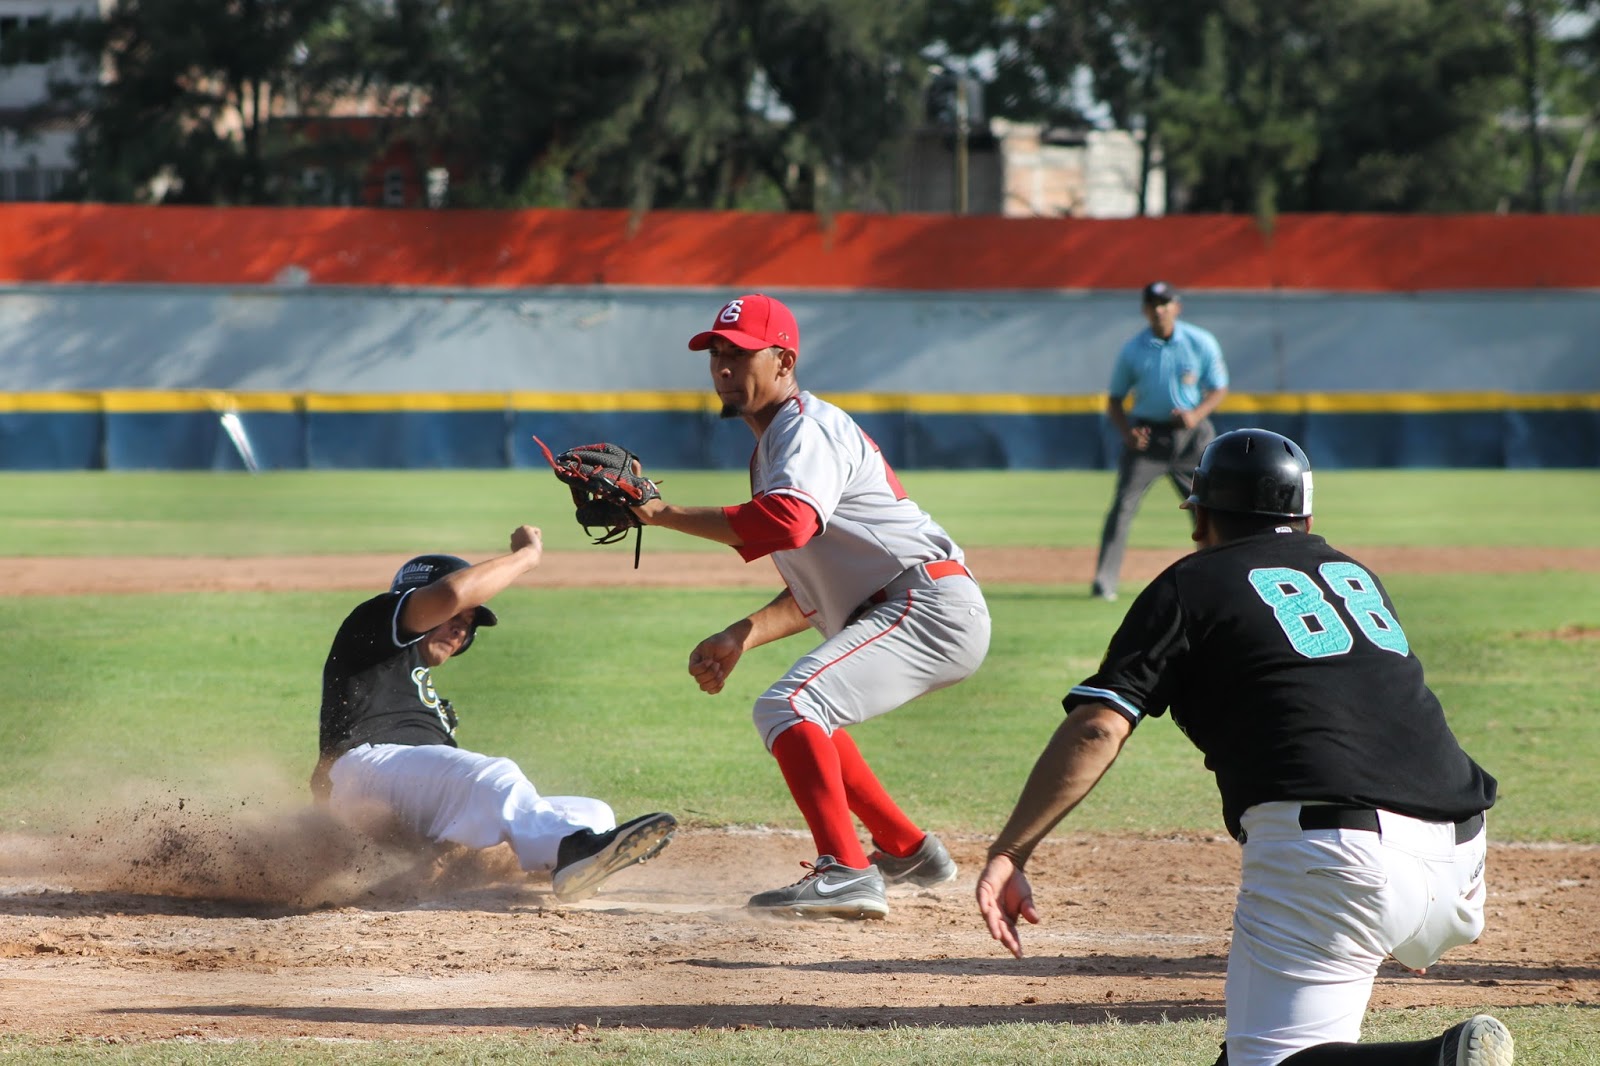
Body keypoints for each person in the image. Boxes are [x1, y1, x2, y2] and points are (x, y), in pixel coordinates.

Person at [976, 429, 1512, 1066]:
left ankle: (1443, 1058)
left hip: (1337, 857)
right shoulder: (1353, 575)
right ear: (1306, 517)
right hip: (1460, 857)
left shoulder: (1192, 583)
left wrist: (1011, 851)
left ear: (1200, 516)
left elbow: (1098, 727)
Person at [629, 292, 991, 920]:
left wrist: (662, 514)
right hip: (912, 604)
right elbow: (814, 590)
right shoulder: (777, 444)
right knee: (806, 714)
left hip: (925, 604)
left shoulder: (806, 427)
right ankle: (907, 850)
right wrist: (742, 633)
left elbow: (788, 522)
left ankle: (846, 871)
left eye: (741, 353)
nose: (724, 366)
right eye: (716, 353)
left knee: (790, 706)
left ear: (784, 361)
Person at [312, 527, 676, 904]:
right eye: (454, 616)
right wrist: (527, 557)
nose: (461, 627)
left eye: (468, 622)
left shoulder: (434, 706)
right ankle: (568, 850)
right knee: (491, 777)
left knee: (593, 813)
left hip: (405, 798)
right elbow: (451, 593)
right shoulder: (372, 627)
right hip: (362, 770)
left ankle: (568, 861)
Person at [1091, 280, 1230, 602]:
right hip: (1148, 438)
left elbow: (1218, 387)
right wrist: (1127, 433)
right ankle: (1104, 582)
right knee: (1122, 507)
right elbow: (1115, 399)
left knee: (1208, 510)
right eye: (1153, 305)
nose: (1159, 311)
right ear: (1145, 310)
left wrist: (1196, 415)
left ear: (1176, 307)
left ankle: (1220, 575)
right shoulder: (1134, 349)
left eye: (1165, 304)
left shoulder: (1199, 342)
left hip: (1192, 438)